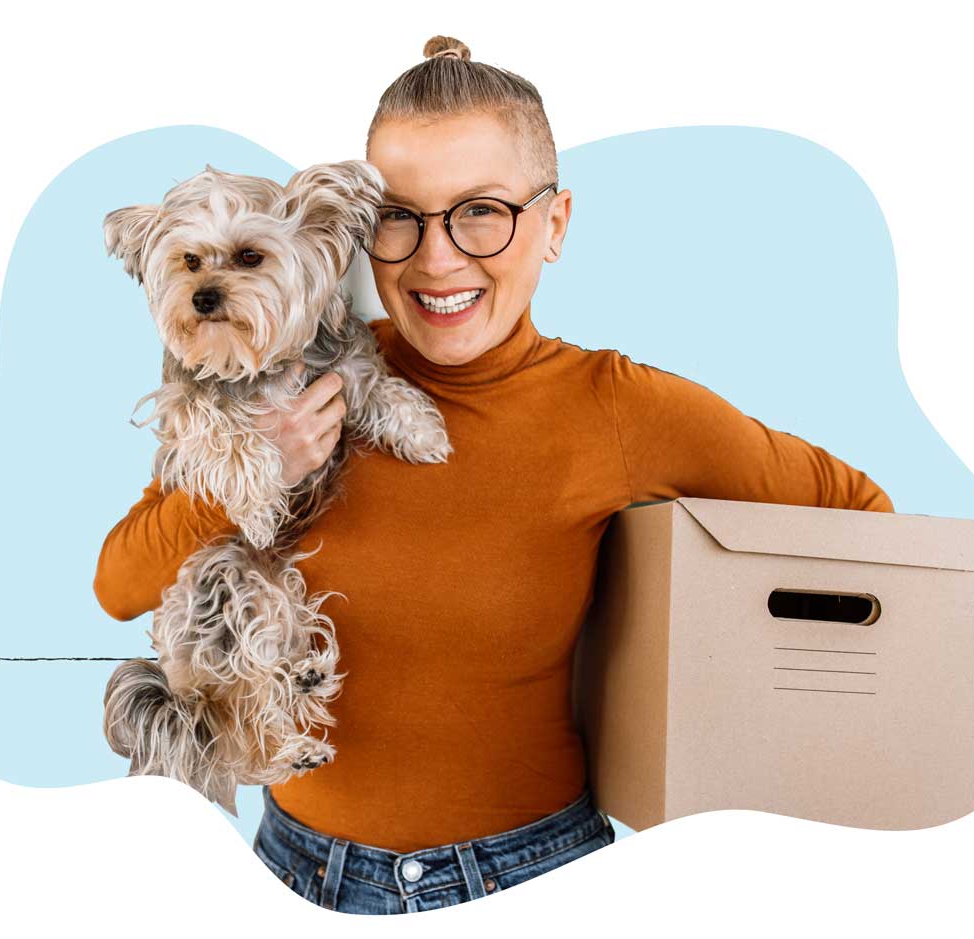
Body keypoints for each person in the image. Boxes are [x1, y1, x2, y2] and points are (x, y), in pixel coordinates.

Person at [93, 35, 895, 915]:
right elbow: (119, 584)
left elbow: (859, 513)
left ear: (555, 224)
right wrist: (261, 469)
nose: (437, 258)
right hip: (293, 874)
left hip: (536, 879)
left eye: (482, 211)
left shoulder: (615, 406)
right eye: (400, 217)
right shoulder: (285, 388)